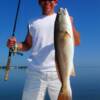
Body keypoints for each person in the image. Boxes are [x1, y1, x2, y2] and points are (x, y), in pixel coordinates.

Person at [7, 0, 80, 100]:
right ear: (39, 2)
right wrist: (15, 45)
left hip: (58, 73)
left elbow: (76, 42)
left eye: (50, 0)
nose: (47, 2)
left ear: (55, 2)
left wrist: (71, 25)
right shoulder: (32, 22)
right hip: (35, 73)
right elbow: (27, 44)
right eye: (43, 0)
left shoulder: (62, 19)